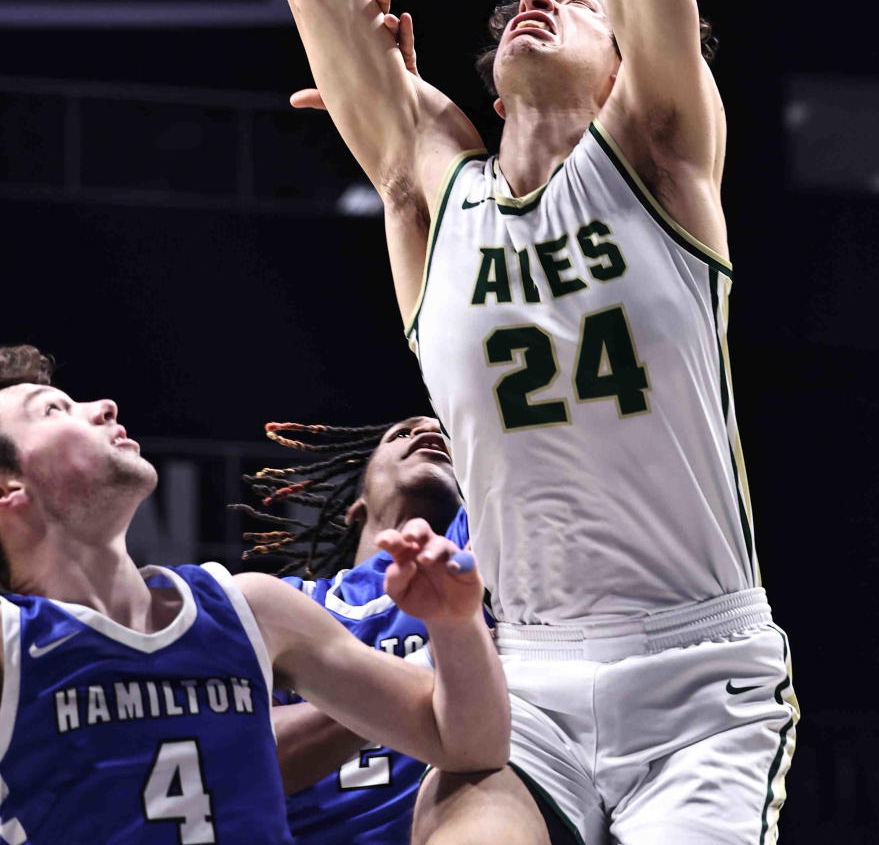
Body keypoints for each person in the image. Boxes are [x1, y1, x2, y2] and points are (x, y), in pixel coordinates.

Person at [264, 0, 798, 845]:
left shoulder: (662, 158)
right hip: (530, 671)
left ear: (639, 65)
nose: (534, 7)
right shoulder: (429, 189)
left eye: (578, 3)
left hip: (703, 677)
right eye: (514, 5)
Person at [0, 345, 509, 844]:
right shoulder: (14, 641)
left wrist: (453, 623)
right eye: (53, 409)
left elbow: (467, 744)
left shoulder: (251, 609)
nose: (103, 406)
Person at [238, 413, 469, 843]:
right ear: (356, 507)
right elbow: (243, 754)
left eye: (446, 433)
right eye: (400, 434)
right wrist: (415, 678)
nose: (429, 431)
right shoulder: (286, 603)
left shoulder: (482, 560)